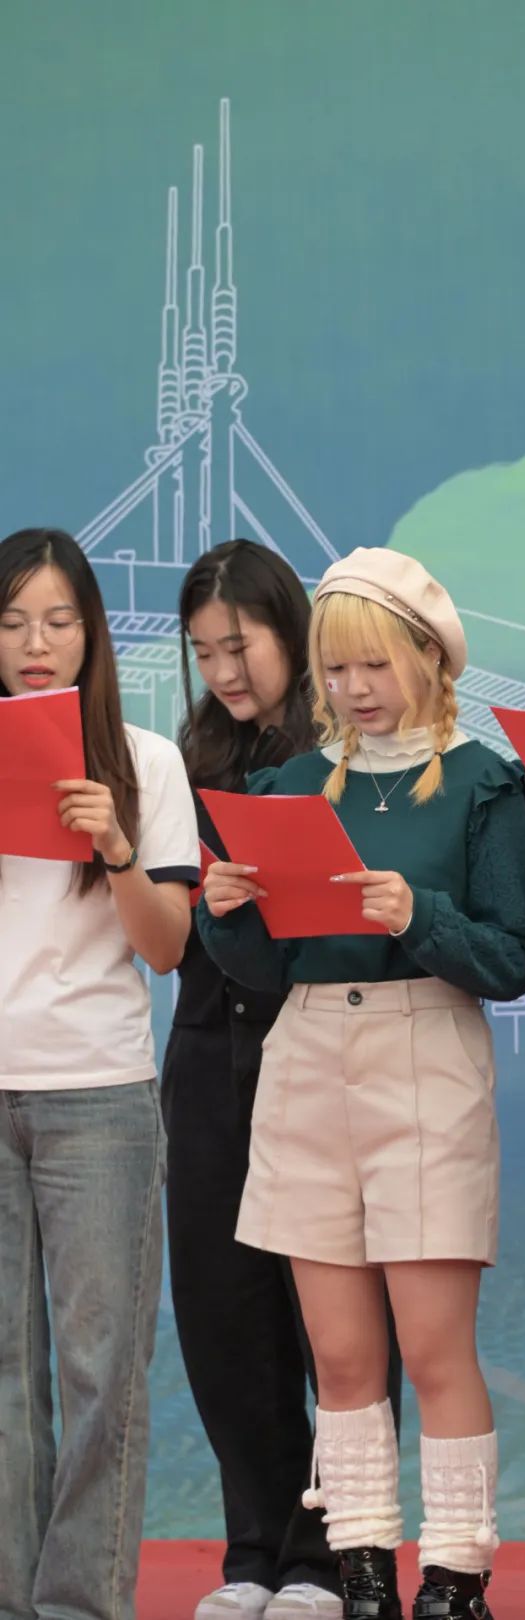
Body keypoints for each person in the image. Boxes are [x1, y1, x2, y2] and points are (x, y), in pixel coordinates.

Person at [197, 548, 525, 1620]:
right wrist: (225, 913)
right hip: (306, 1055)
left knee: (434, 1350)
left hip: (426, 1049)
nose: (353, 689)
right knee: (341, 1357)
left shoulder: (484, 781)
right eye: (335, 668)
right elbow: (267, 972)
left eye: (375, 665)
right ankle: (360, 1577)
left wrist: (418, 916)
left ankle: (456, 1578)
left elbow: (513, 960)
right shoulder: (288, 787)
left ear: (431, 658)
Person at [164, 539, 402, 1620]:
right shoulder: (187, 757)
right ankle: (254, 1548)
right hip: (208, 1050)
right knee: (224, 1314)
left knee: (335, 1321)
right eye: (204, 651)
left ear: (290, 633)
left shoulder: (345, 749)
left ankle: (330, 1553)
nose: (224, 671)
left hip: (317, 1046)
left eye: (241, 645)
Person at [0, 527, 198, 1620]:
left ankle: (80, 1606)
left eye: (59, 620)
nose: (36, 644)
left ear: (91, 633)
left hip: (98, 1099)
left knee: (98, 1373)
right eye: (13, 622)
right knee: (3, 1375)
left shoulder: (144, 759)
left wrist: (114, 844)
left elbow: (166, 947)